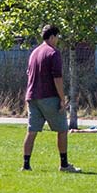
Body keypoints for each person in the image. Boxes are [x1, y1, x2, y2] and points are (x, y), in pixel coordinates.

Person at [24, 24, 79, 172]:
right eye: (57, 37)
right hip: (48, 96)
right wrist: (62, 98)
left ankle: (26, 165)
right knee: (62, 129)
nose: (58, 41)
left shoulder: (34, 53)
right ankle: (64, 164)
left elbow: (29, 74)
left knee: (32, 131)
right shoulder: (53, 53)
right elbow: (57, 77)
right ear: (52, 36)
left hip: (32, 96)